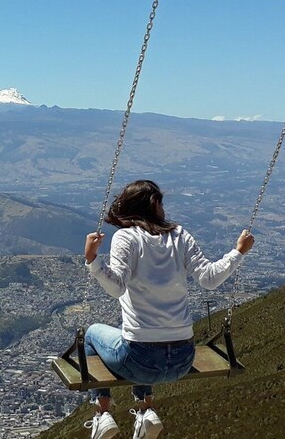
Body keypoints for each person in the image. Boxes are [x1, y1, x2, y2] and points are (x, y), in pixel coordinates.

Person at [82, 180, 254, 439]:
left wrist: (92, 260)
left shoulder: (126, 237)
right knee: (138, 335)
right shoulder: (180, 236)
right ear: (155, 206)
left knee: (93, 334)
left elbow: (116, 287)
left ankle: (102, 414)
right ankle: (145, 410)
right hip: (183, 358)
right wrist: (238, 252)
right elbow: (209, 278)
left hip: (139, 361)